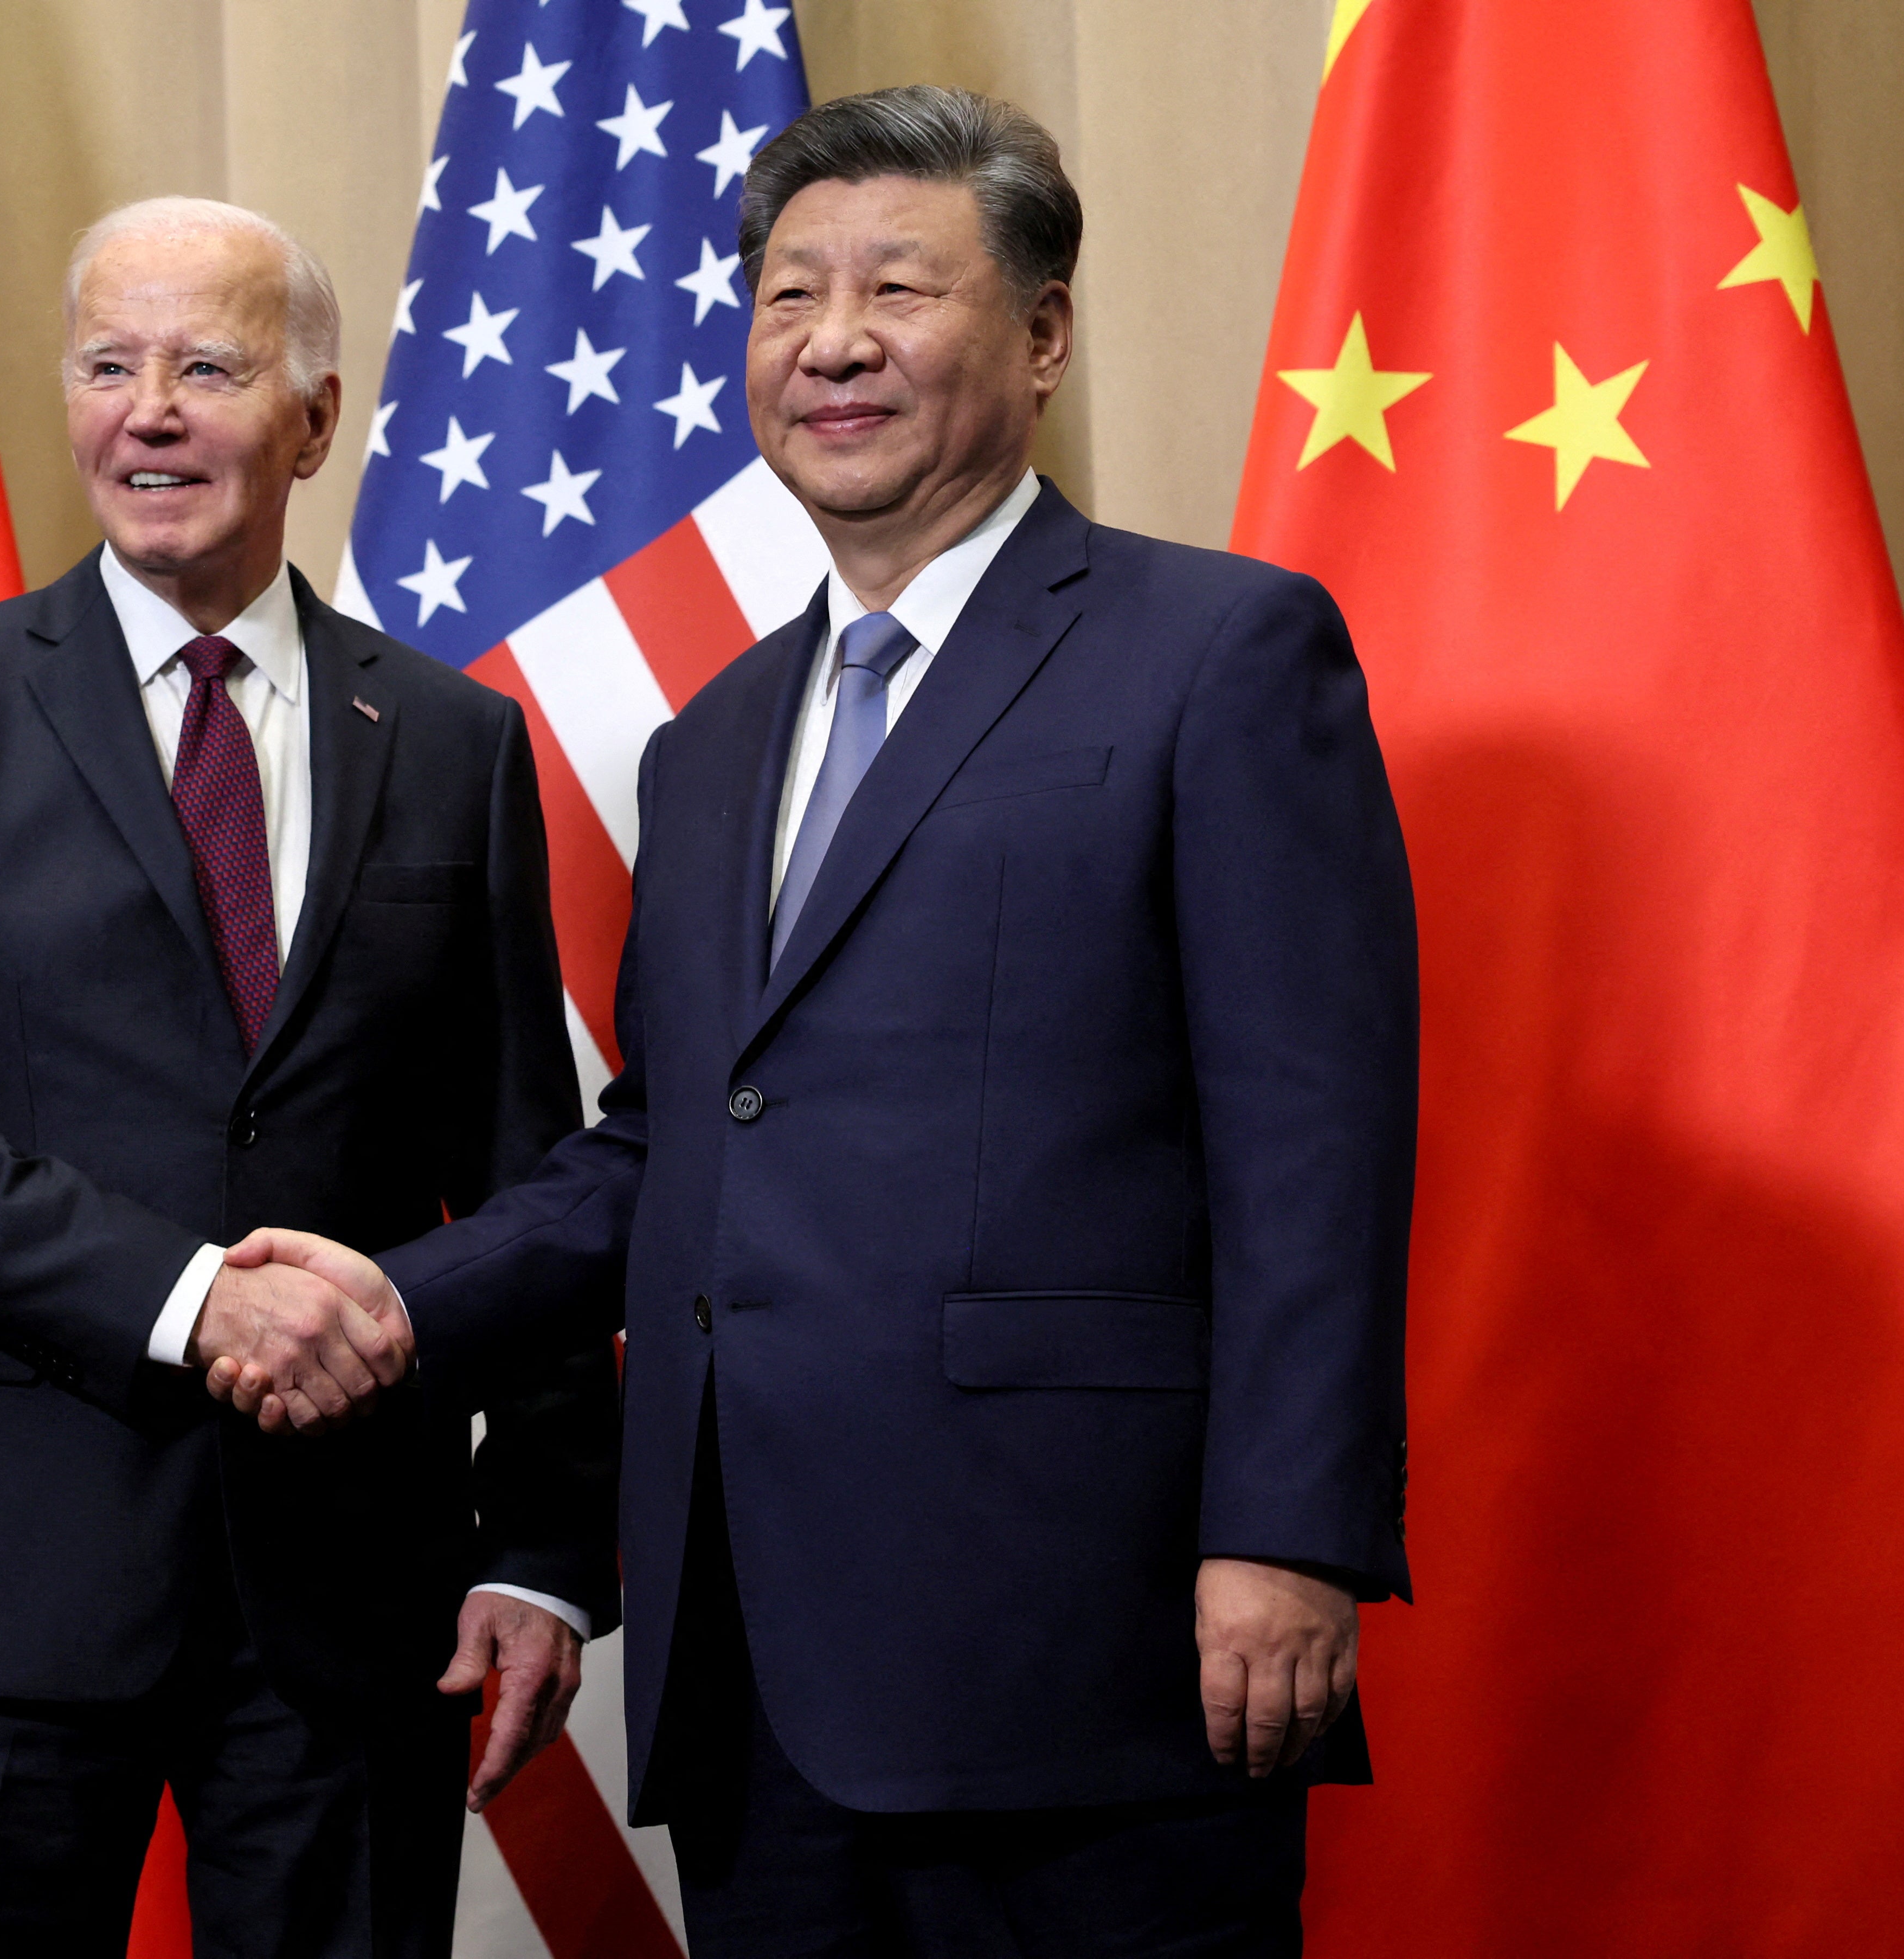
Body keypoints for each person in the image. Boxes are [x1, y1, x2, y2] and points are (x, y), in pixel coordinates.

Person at [220, 88, 1417, 1957]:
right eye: (789, 297)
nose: (833, 342)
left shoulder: (1222, 653)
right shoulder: (708, 750)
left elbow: (1315, 1136)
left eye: (897, 290)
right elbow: (671, 1142)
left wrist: (1290, 1532)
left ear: (1041, 335)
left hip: (1087, 1647)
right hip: (757, 1666)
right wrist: (395, 1300)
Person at [0, 196, 615, 1959]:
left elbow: (536, 1174)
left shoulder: (454, 744)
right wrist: (189, 1305)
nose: (147, 410)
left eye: (207, 366)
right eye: (107, 364)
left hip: (349, 1596)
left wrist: (540, 1541)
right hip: (4, 1577)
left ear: (317, 418)